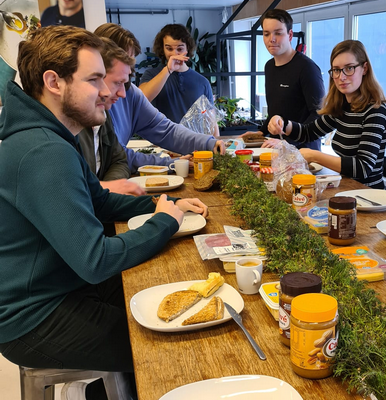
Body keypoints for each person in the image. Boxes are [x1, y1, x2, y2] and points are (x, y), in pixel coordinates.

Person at [0, 26, 209, 399]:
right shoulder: (43, 152)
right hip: (35, 315)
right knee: (172, 343)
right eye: (95, 79)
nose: (109, 91)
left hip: (60, 284)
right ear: (54, 82)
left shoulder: (51, 136)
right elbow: (95, 260)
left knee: (158, 287)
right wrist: (163, 223)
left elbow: (100, 201)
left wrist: (162, 205)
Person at [93, 23, 225, 173]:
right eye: (123, 61)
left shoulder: (130, 93)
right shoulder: (91, 105)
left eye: (130, 61)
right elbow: (119, 156)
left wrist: (208, 143)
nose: (128, 70)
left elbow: (166, 130)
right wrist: (169, 163)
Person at [269, 40, 386, 188]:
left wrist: (314, 156)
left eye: (349, 68)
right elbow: (308, 132)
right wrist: (282, 123)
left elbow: (362, 167)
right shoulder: (343, 107)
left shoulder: (376, 111)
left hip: (369, 193)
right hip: (348, 188)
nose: (341, 77)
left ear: (364, 68)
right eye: (336, 70)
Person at [242, 9, 325, 150]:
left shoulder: (307, 68)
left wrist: (288, 142)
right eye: (266, 34)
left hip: (304, 151)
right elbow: (275, 112)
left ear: (290, 35)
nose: (271, 39)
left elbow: (319, 115)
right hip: (276, 149)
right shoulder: (269, 67)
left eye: (278, 33)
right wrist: (261, 133)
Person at [78, 38, 145, 196]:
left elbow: (119, 161)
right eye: (117, 82)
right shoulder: (62, 127)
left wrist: (107, 190)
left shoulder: (102, 113)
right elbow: (65, 190)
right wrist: (104, 191)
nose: (122, 94)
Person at [139, 24, 219, 135]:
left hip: (194, 142)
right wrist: (168, 70)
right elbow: (141, 98)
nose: (174, 54)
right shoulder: (151, 75)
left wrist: (216, 143)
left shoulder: (202, 82)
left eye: (180, 49)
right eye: (169, 49)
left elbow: (211, 122)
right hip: (160, 141)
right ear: (162, 49)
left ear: (187, 48)